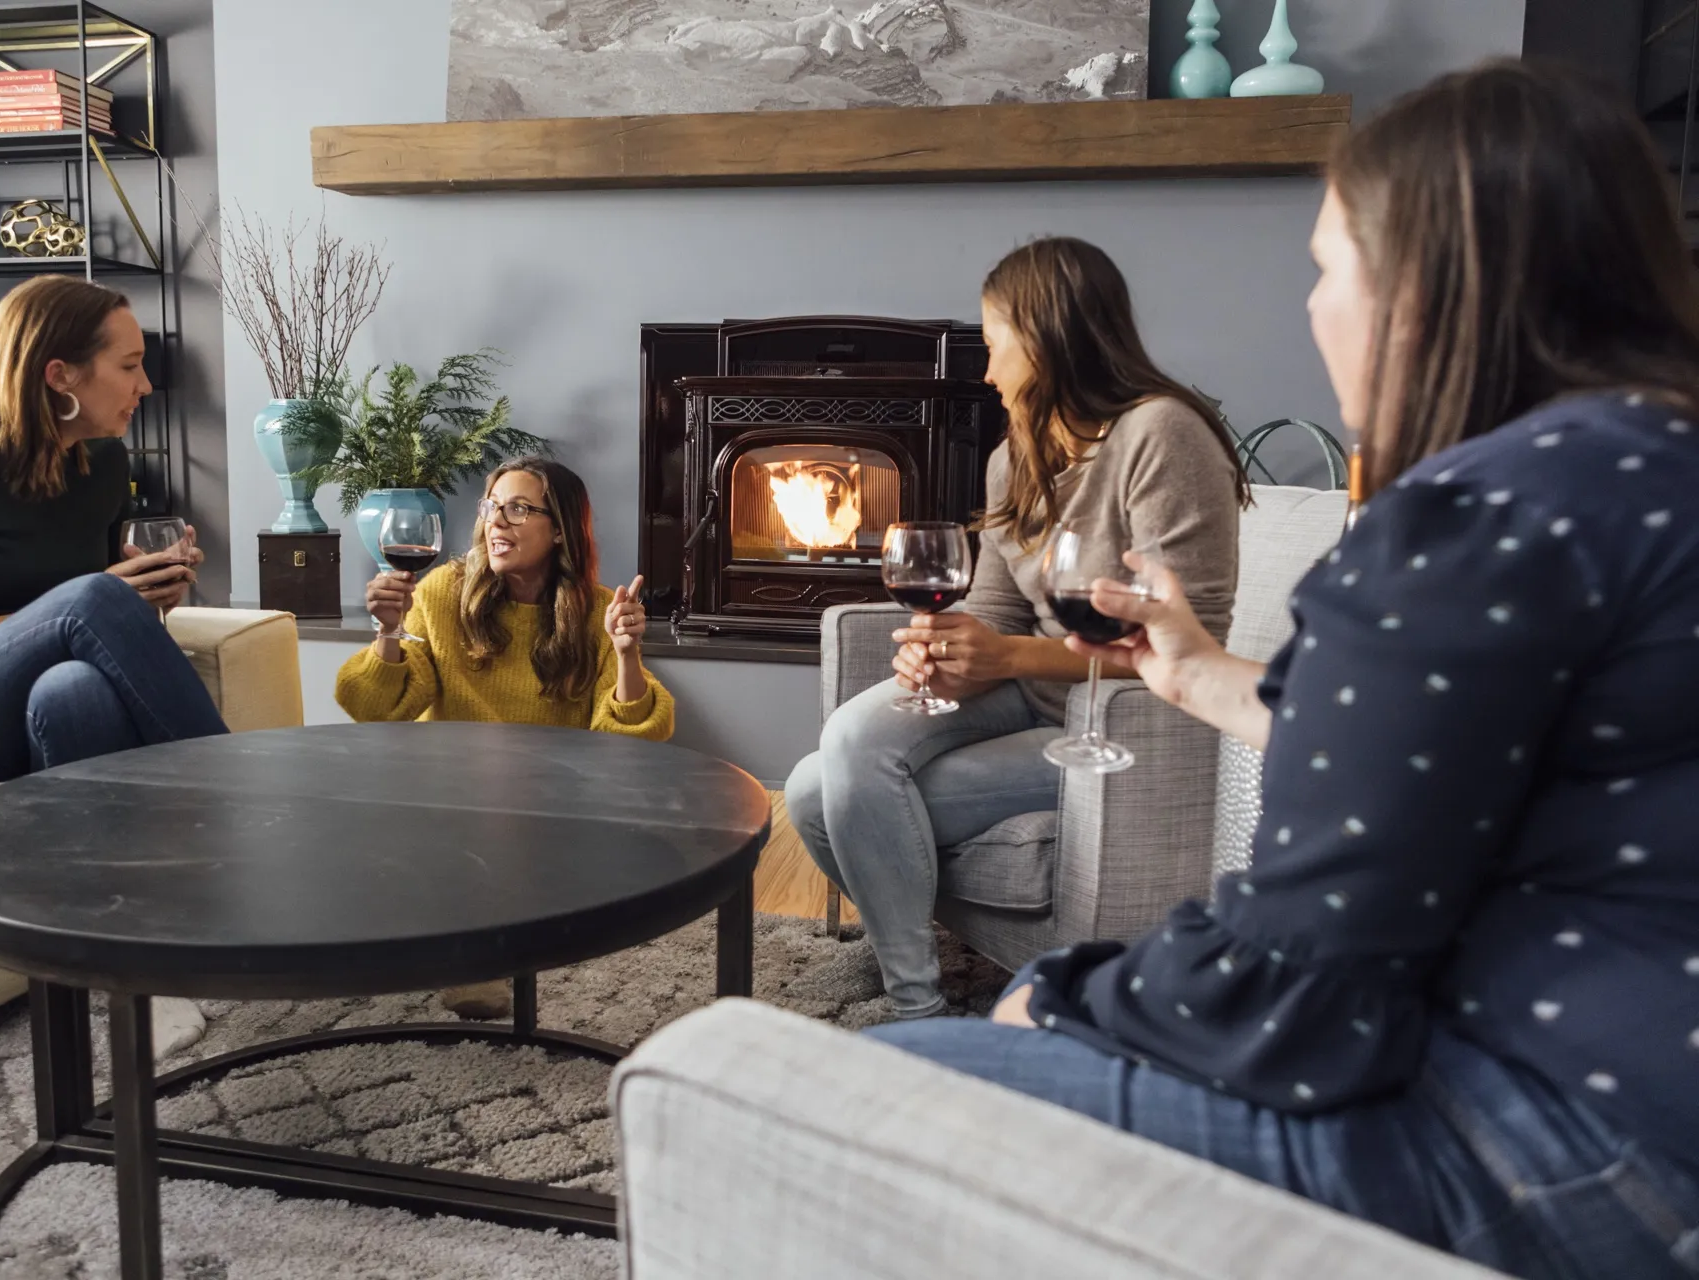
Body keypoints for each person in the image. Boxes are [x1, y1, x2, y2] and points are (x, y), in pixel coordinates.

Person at [868, 62, 1699, 1278]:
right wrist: (1201, 675)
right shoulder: (1647, 470)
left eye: (1325, 267)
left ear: (1426, 281)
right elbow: (1446, 751)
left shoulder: (1481, 513)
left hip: (1572, 1138)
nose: (1315, 310)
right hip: (1658, 1093)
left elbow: (1309, 981)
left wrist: (1062, 997)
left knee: (796, 1094)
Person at [783, 236, 1249, 1019]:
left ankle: (914, 1005)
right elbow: (995, 614)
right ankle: (916, 972)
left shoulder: (1161, 436)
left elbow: (1190, 643)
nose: (988, 370)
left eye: (995, 346)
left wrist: (1005, 653)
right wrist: (950, 652)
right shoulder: (1016, 457)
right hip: (1026, 700)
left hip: (1126, 723)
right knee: (814, 779)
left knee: (841, 789)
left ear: (1044, 338)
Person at [335, 455, 674, 1018]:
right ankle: (476, 945)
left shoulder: (594, 612)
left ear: (560, 528)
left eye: (519, 509)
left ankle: (490, 939)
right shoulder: (443, 592)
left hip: (552, 807)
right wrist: (389, 631)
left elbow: (633, 737)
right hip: (450, 799)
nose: (498, 521)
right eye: (492, 507)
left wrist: (627, 653)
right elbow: (376, 706)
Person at [0, 275, 225, 787]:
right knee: (92, 598)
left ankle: (103, 865)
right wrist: (86, 604)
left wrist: (146, 590)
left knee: (75, 690)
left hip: (34, 707)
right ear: (60, 376)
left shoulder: (102, 462)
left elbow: (96, 607)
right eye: (128, 366)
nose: (144, 384)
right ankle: (233, 790)